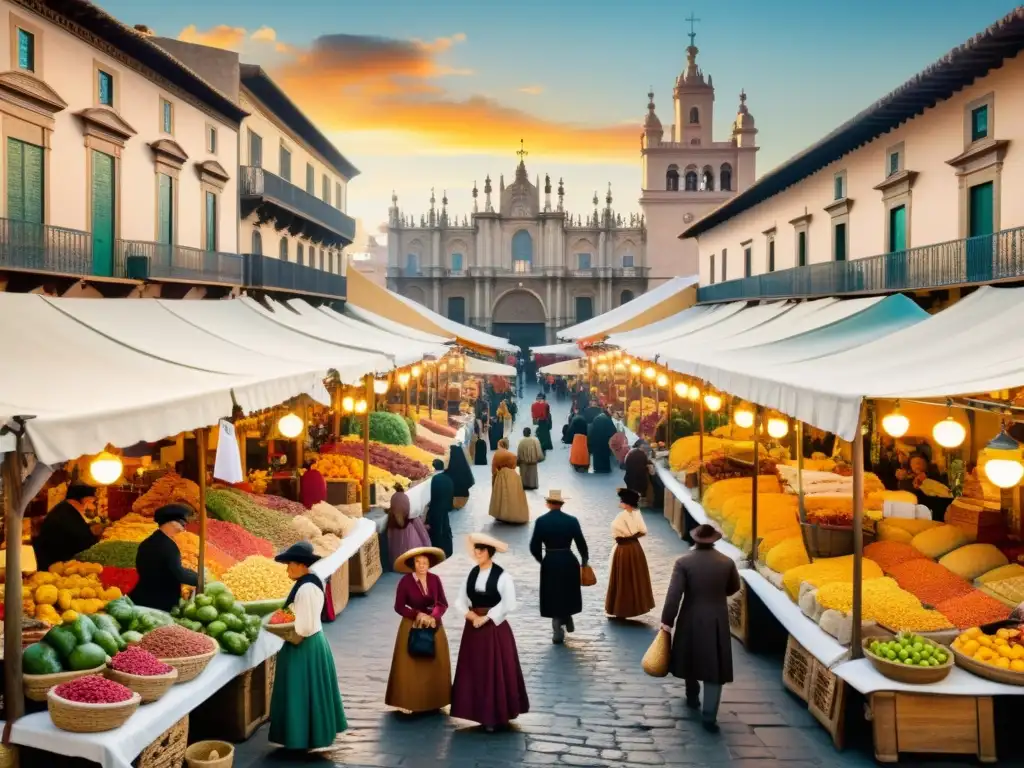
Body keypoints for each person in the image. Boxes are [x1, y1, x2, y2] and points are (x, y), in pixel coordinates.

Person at [661, 524, 742, 733]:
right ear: (714, 540)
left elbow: (674, 595)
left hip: (691, 615)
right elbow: (734, 588)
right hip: (717, 617)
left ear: (694, 540)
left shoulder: (683, 562)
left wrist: (667, 620)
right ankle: (709, 715)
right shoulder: (726, 562)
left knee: (691, 654)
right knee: (713, 663)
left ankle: (692, 695)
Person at [269, 542, 347, 750]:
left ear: (302, 565)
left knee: (300, 693)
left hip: (304, 647)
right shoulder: (310, 582)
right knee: (308, 694)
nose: (287, 569)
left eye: (290, 565)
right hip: (313, 644)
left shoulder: (305, 589)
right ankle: (309, 736)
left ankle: (301, 738)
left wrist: (280, 624)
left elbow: (302, 628)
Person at [450, 533, 529, 731]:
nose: (478, 552)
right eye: (476, 549)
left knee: (495, 671)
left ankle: (495, 715)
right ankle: (476, 712)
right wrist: (472, 617)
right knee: (474, 670)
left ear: (490, 552)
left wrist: (487, 617)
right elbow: (460, 600)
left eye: (482, 549)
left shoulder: (502, 576)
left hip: (495, 629)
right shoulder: (472, 574)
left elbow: (509, 603)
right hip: (473, 630)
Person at [385, 546, 451, 714]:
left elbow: (442, 603)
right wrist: (417, 614)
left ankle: (435, 700)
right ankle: (412, 701)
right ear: (412, 564)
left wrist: (433, 616)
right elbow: (399, 606)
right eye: (418, 562)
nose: (422, 565)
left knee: (436, 663)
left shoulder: (435, 579)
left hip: (434, 626)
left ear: (429, 564)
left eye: (425, 562)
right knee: (411, 666)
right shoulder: (405, 582)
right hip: (411, 626)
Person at [529, 490, 589, 644]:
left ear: (548, 504)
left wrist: (541, 559)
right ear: (561, 504)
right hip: (568, 560)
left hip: (551, 560)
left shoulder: (541, 521)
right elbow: (581, 542)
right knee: (568, 591)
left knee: (552, 594)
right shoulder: (572, 520)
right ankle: (567, 616)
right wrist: (584, 559)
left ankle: (557, 628)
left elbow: (534, 546)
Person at [129, 504, 198, 612]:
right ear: (171, 522)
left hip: (142, 596)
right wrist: (199, 579)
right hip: (160, 603)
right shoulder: (168, 546)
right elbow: (178, 573)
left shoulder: (147, 542)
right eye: (182, 524)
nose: (184, 528)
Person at [605, 488, 655, 619]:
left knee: (622, 578)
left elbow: (616, 531)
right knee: (635, 577)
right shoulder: (637, 514)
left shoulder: (622, 516)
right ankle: (634, 606)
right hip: (635, 548)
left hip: (624, 549)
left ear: (626, 503)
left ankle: (621, 608)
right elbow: (642, 531)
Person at [33, 483, 101, 573]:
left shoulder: (64, 509)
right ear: (86, 500)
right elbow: (85, 543)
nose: (93, 507)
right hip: (54, 571)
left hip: (54, 565)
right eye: (92, 502)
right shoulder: (66, 515)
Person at [386, 485, 432, 564]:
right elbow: (423, 535)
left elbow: (389, 543)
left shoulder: (390, 522)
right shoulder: (412, 518)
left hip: (397, 562)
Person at [489, 439, 529, 524]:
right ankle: (513, 513)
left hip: (501, 475)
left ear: (500, 444)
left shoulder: (497, 454)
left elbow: (494, 468)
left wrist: (495, 477)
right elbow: (514, 466)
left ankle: (502, 514)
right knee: (513, 495)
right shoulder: (512, 455)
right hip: (513, 476)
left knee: (502, 495)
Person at [426, 459, 454, 558]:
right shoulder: (448, 478)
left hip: (436, 508)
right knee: (446, 528)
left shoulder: (435, 479)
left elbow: (433, 496)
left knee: (437, 531)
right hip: (445, 508)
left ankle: (438, 553)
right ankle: (448, 550)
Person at [445, 443, 475, 508]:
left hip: (452, 501)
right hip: (464, 499)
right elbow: (470, 483)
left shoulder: (450, 468)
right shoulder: (465, 467)